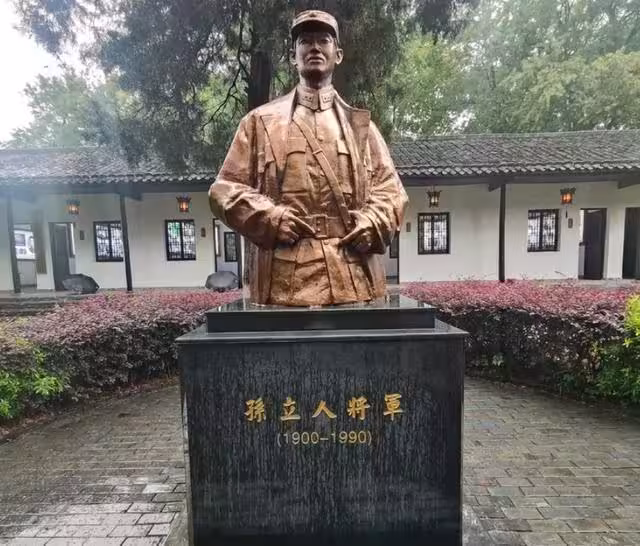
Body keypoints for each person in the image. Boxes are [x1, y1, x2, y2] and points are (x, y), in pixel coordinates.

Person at [209, 10, 408, 306]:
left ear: (338, 54)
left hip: (353, 274)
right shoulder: (259, 123)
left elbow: (391, 191)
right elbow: (223, 190)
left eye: (323, 40)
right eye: (305, 41)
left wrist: (374, 221)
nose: (315, 47)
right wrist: (269, 218)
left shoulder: (361, 128)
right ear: (294, 56)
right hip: (284, 278)